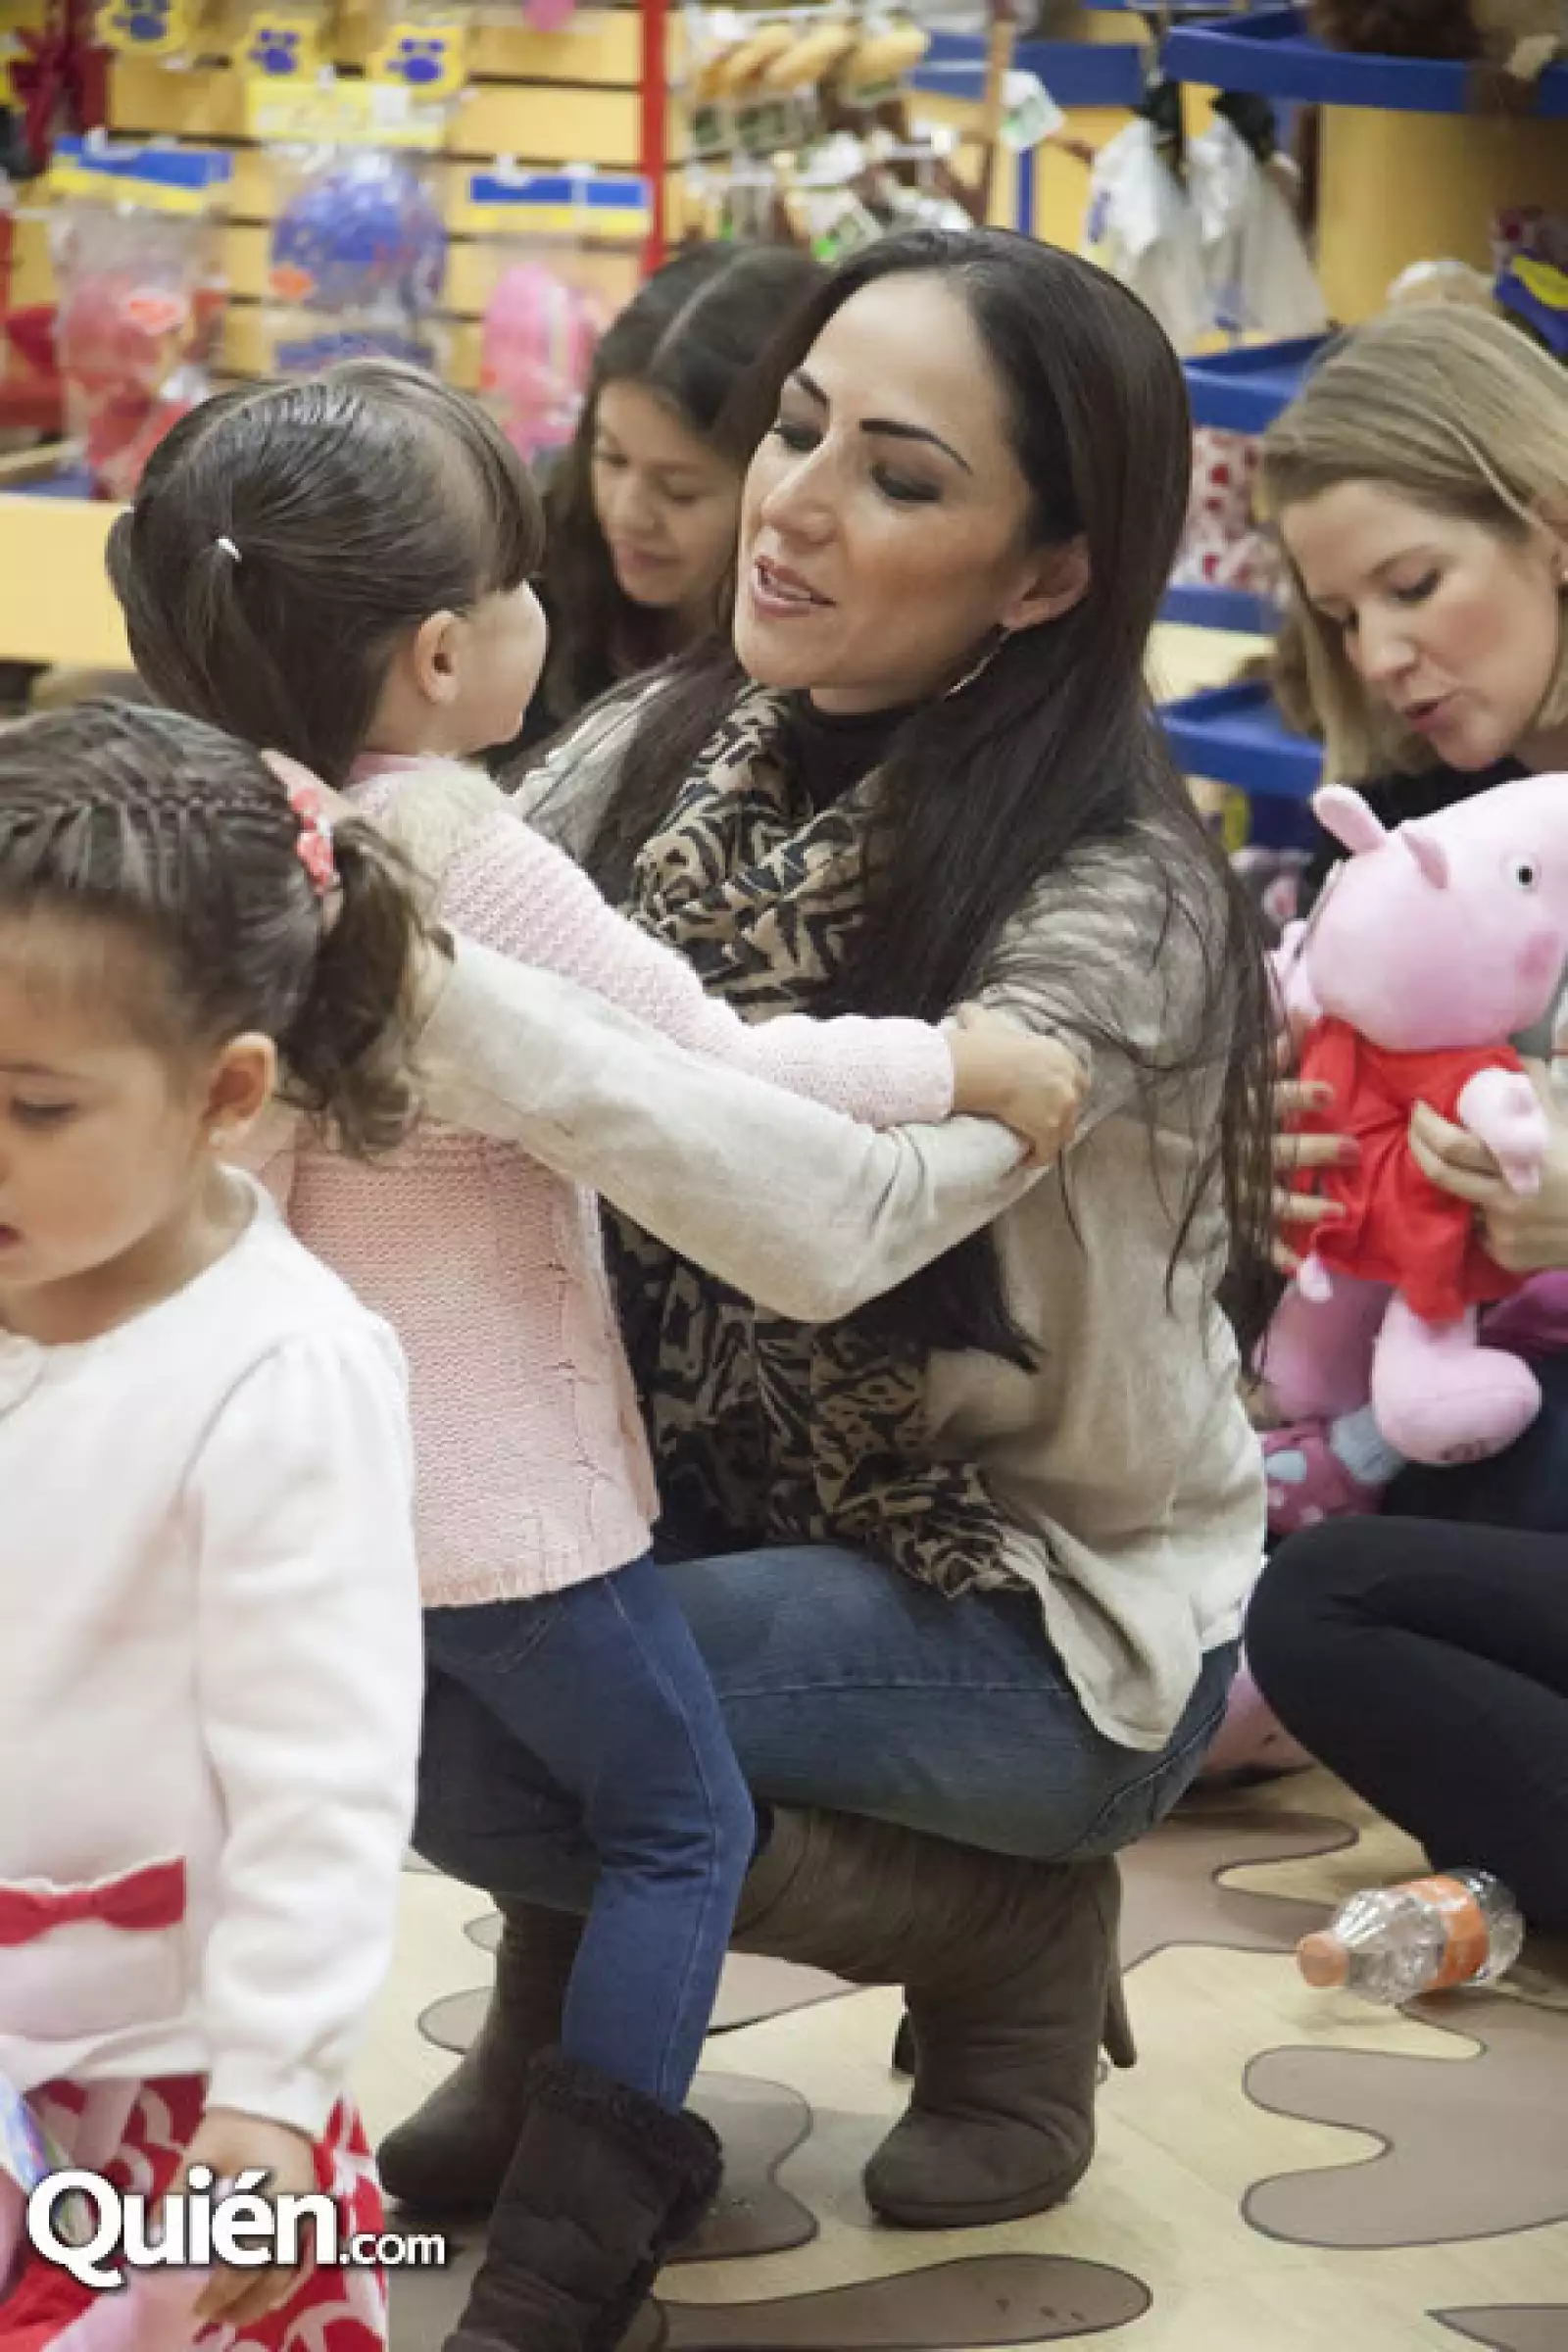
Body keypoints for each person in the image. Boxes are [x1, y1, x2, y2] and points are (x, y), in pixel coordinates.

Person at [108, 360, 1089, 2350]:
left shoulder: (212, 833)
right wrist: (960, 1061)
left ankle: (380, 2180)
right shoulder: (441, 846)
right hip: (502, 1493)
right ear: (451, 646)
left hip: (297, 1485)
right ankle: (568, 2279)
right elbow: (692, 1066)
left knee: (456, 1802)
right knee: (680, 1824)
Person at [394, 225, 1280, 2237]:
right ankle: (558, 2014)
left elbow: (834, 1230)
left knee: (460, 1704)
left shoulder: (1120, 896)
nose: (788, 499)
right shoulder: (656, 743)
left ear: (1044, 574)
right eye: (796, 427)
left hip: (1033, 1606)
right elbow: (420, 947)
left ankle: (1007, 1940)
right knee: (383, 1611)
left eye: (898, 474)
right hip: (685, 1516)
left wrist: (471, 1027)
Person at [0, 701, 424, 2352]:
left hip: (168, 2085)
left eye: (36, 1109)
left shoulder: (279, 1376)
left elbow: (323, 1783)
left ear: (226, 1091)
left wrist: (270, 2093)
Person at [1233, 303, 1568, 1941]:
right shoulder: (1400, 862)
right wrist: (1275, 1180)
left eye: (1415, 587)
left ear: (1553, 519)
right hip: (1502, 1451)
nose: (1378, 656)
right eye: (1340, 613)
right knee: (1325, 1609)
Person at [516, 241, 824, 754]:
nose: (627, 512)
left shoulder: (830, 670)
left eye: (679, 491)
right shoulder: (530, 583)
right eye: (611, 458)